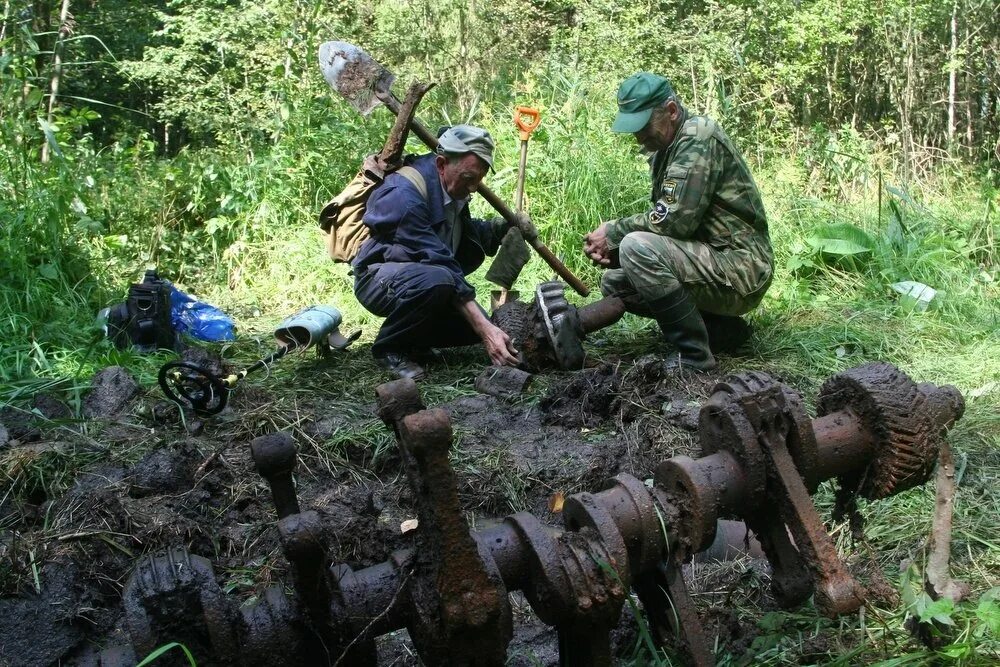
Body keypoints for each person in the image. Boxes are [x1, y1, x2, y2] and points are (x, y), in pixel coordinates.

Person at [583, 72, 774, 371]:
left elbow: (673, 223)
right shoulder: (666, 147)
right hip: (713, 259)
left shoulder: (698, 137)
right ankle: (720, 332)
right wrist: (618, 252)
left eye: (644, 126)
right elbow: (672, 227)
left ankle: (695, 357)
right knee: (617, 282)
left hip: (741, 266)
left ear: (671, 111)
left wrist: (615, 232)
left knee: (635, 247)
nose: (639, 137)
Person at [352, 124, 525, 380]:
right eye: (469, 178)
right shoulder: (403, 195)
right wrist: (485, 329)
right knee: (445, 285)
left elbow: (455, 233)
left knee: (474, 326)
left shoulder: (453, 185)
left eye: (479, 179)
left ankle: (415, 342)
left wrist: (500, 229)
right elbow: (440, 258)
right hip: (380, 279)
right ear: (442, 164)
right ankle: (389, 348)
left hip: (430, 277)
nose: (474, 187)